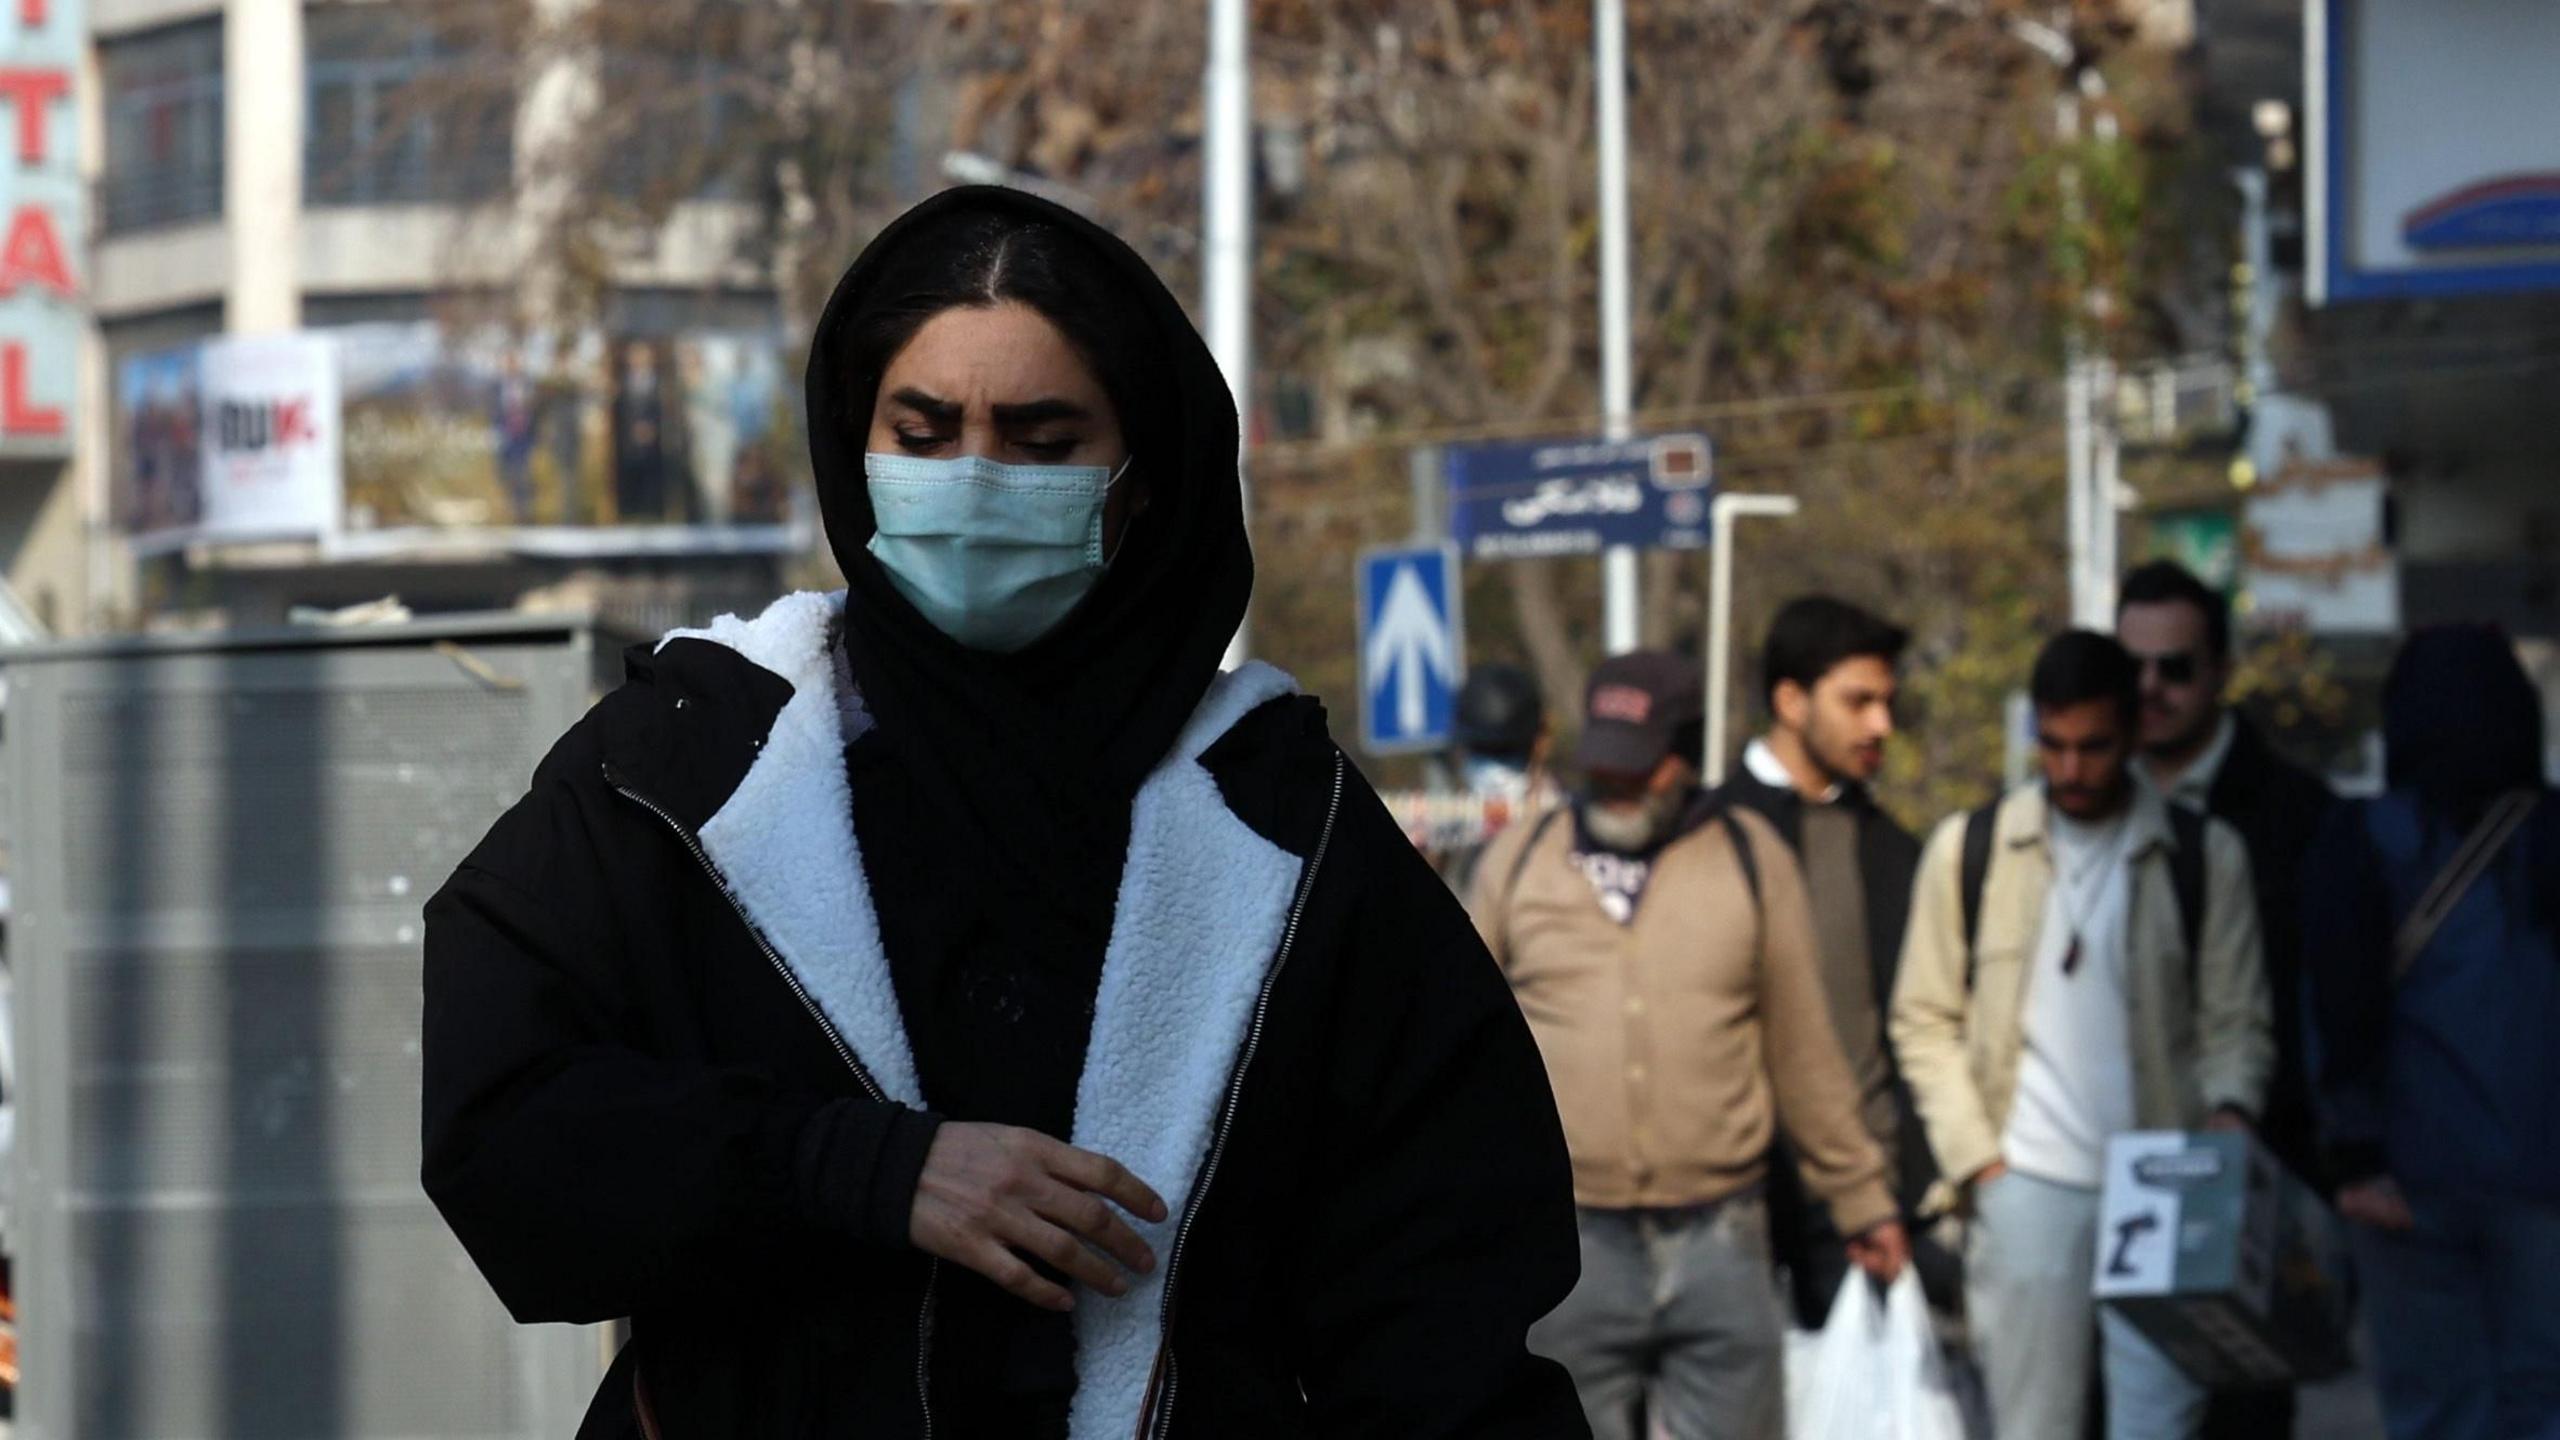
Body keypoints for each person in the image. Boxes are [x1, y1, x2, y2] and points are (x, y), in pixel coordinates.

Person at [422, 187, 1588, 1440]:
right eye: (922, 435)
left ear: (1143, 479)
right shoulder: (690, 766)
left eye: (1040, 443)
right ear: (852, 445)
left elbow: (1443, 1291)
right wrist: (864, 1169)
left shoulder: (1280, 822)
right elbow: (508, 1126)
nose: (974, 484)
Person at [1469, 650, 1909, 1440]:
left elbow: (1805, 1054)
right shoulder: (1520, 862)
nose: (1618, 786)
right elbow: (1459, 1056)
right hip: (1569, 1246)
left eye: (1640, 768)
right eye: (1604, 765)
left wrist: (1862, 1198)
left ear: (1686, 754)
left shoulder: (1748, 859)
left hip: (1724, 1245)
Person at [1891, 631, 2272, 1440]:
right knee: (2033, 1423)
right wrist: (1979, 1162)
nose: (2070, 769)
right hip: (2023, 1178)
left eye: (2093, 747)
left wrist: (2229, 1118)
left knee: (2161, 1422)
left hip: (2163, 1178)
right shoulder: (1972, 848)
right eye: (2053, 745)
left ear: (2133, 734)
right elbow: (1921, 1016)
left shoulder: (2204, 852)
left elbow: (2237, 1017)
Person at [2301, 625, 2560, 1440]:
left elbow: (2335, 1007)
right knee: (2543, 1400)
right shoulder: (2550, 839)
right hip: (2544, 1174)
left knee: (2435, 1411)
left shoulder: (2367, 840)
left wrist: (2353, 1154)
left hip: (2404, 1182)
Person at [1714, 596, 1947, 1326]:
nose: (1881, 724)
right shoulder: (1706, 839)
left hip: (1869, 1213)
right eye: (1858, 701)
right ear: (1790, 699)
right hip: (1732, 1217)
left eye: (1887, 702)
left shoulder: (1893, 850)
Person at [1433, 663, 1559, 894]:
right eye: (1480, 751)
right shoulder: (1450, 829)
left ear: (1542, 743)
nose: (1494, 774)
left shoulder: (1567, 825)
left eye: (1507, 752)